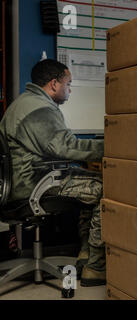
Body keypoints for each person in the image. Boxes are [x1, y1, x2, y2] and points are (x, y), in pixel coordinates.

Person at [0, 59, 105, 287]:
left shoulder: (26, 103)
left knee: (91, 186)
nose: (70, 90)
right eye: (68, 84)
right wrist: (114, 146)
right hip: (33, 185)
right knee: (106, 188)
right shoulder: (38, 109)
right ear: (54, 84)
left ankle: (85, 257)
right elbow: (66, 147)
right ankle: (95, 267)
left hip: (25, 181)